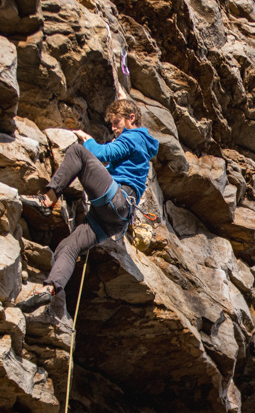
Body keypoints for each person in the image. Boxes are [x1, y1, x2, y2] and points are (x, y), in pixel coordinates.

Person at [14, 98, 159, 312]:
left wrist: (87, 139)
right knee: (69, 246)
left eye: (116, 121)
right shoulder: (140, 144)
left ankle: (46, 201)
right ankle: (50, 289)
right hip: (114, 220)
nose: (113, 127)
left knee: (77, 152)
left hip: (116, 199)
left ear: (131, 118)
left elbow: (101, 154)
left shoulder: (134, 136)